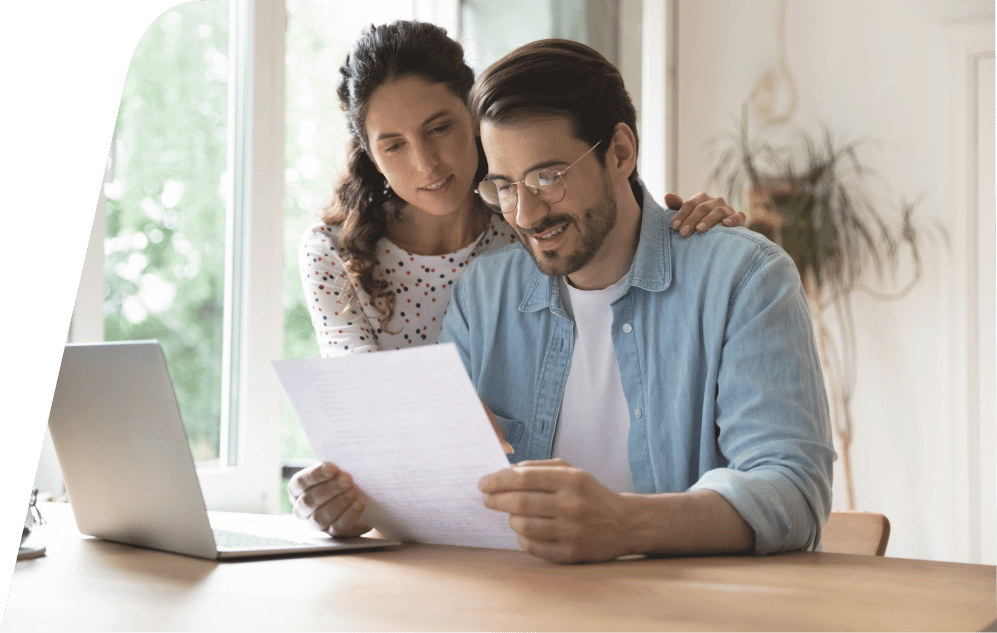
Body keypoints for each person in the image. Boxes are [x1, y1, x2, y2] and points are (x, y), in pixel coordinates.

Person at [289, 21, 747, 538]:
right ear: (371, 156)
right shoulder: (337, 252)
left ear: (474, 117)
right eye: (393, 145)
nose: (426, 162)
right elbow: (365, 418)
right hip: (429, 511)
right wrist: (336, 494)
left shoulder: (525, 231)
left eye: (440, 128)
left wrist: (700, 231)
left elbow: (610, 209)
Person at [434, 39, 835, 563]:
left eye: (547, 177)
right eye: (505, 186)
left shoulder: (743, 278)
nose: (526, 214)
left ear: (620, 152)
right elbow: (437, 479)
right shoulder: (481, 297)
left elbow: (792, 492)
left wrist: (626, 524)